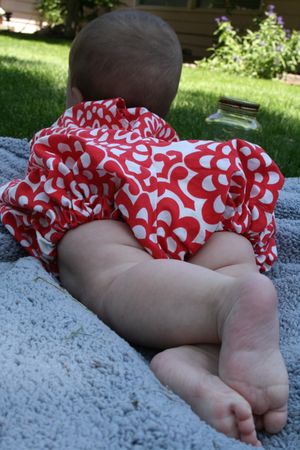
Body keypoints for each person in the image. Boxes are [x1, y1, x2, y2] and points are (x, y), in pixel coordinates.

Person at [0, 9, 288, 447]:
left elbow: (43, 191)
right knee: (226, 250)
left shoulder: (74, 135)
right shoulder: (166, 146)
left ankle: (224, 303)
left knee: (108, 269)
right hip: (190, 202)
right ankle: (200, 352)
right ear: (165, 105)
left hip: (111, 211)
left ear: (75, 96)